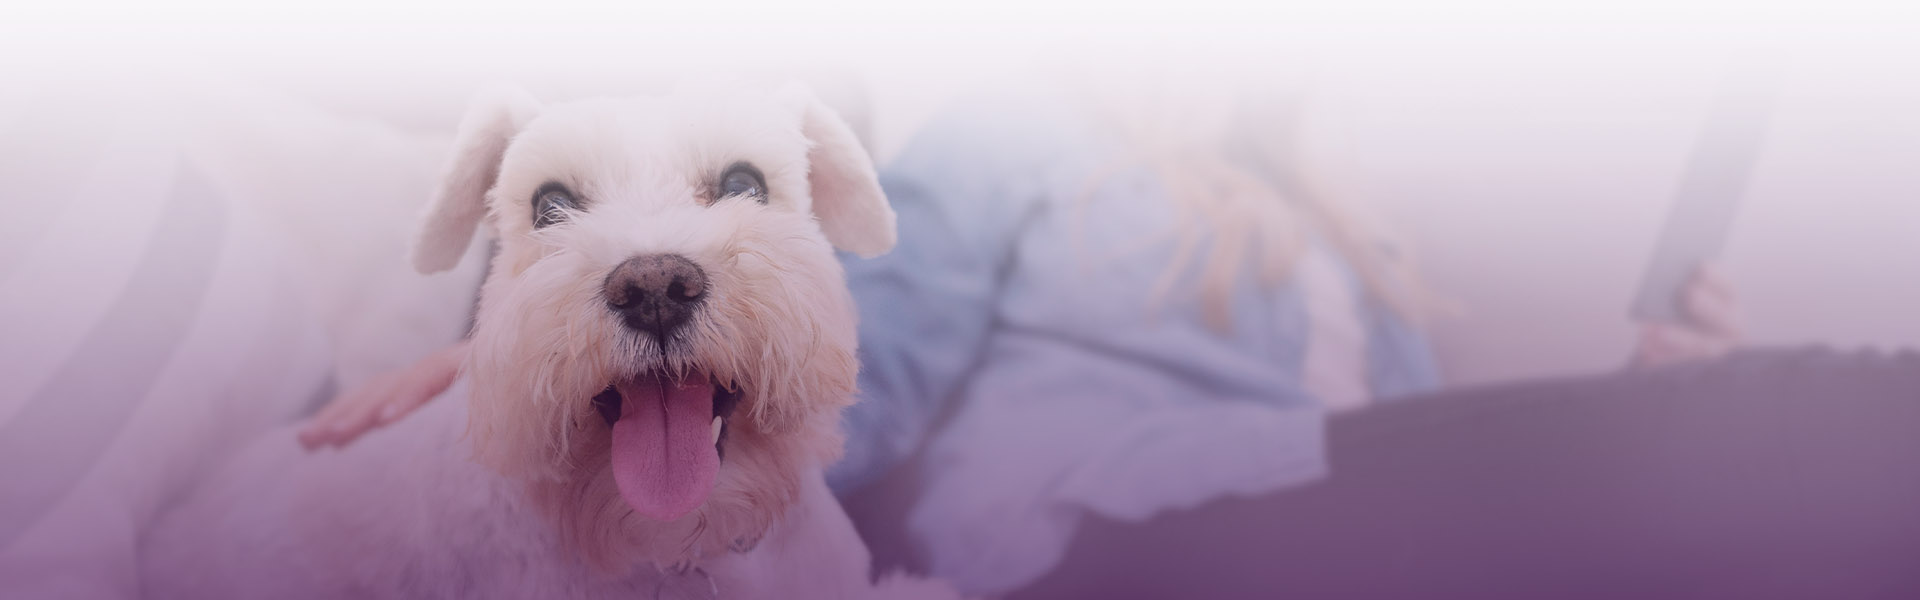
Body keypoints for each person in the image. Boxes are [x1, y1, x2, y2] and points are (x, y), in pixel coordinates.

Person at [298, 73, 1755, 596]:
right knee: (1808, 419)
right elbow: (850, 359)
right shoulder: (1029, 123)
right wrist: (582, 374)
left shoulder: (1359, 248)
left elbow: (1423, 470)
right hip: (1111, 530)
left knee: (1672, 486)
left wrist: (1638, 417)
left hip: (1350, 520)